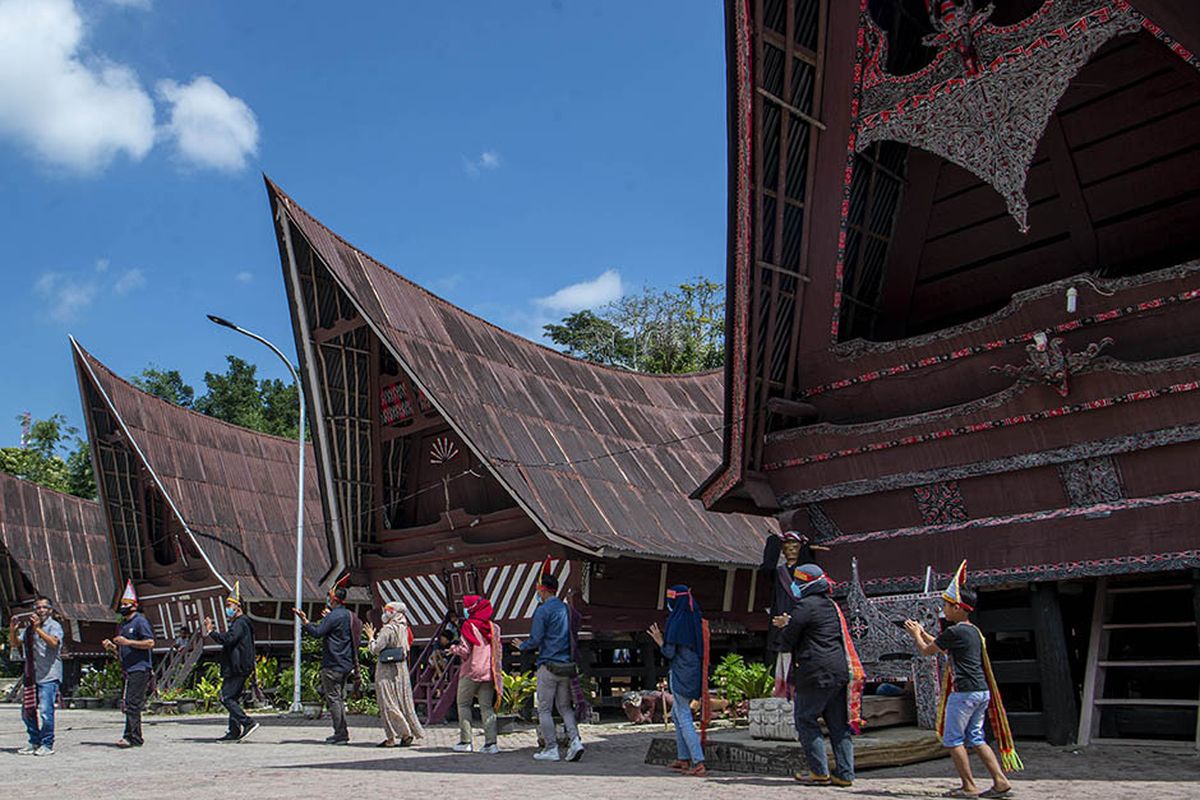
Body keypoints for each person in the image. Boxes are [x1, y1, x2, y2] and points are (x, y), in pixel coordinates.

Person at [904, 560, 1020, 799]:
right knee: (976, 737)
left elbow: (927, 650)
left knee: (954, 740)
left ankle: (968, 786)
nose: (944, 609)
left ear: (958, 607)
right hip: (980, 691)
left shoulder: (954, 632)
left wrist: (916, 635)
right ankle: (1000, 781)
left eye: (947, 605)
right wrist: (925, 634)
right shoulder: (971, 631)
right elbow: (943, 646)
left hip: (964, 693)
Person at [772, 564, 864, 788]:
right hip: (838, 671)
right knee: (838, 725)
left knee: (805, 720)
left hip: (815, 672)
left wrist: (786, 625)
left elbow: (788, 640)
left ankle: (819, 772)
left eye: (797, 582)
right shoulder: (831, 605)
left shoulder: (805, 605)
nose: (794, 586)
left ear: (805, 583)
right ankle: (845, 774)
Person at [512, 558, 584, 762]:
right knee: (565, 707)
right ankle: (575, 740)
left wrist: (522, 646)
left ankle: (551, 748)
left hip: (548, 665)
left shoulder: (542, 611)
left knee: (544, 708)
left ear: (543, 590)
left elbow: (536, 639)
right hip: (566, 664)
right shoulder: (566, 609)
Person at [647, 585, 709, 778]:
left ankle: (697, 761)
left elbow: (669, 652)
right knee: (676, 714)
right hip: (693, 671)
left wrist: (659, 640)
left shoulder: (676, 621)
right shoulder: (694, 617)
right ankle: (683, 757)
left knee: (683, 716)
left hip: (680, 673)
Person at [759, 530, 825, 697]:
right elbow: (766, 568)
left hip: (799, 620)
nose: (791, 550)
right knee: (782, 661)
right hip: (780, 619)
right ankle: (784, 694)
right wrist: (773, 541)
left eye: (795, 547)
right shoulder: (779, 572)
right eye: (787, 547)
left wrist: (808, 549)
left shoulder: (805, 572)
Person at [293, 580, 359, 744]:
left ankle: (340, 733)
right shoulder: (347, 615)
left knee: (334, 699)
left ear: (334, 599)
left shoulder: (333, 615)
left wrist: (305, 621)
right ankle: (342, 731)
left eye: (329, 596)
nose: (327, 599)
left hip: (333, 663)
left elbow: (318, 632)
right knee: (338, 698)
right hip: (346, 663)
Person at [8, 595, 64, 756]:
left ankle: (47, 744)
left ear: (50, 610)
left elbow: (54, 643)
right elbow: (15, 643)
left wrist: (39, 629)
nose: (41, 610)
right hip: (31, 675)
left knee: (46, 711)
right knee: (27, 710)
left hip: (49, 674)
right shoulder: (29, 628)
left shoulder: (54, 626)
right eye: (38, 607)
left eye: (44, 607)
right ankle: (34, 741)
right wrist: (13, 629)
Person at [102, 580, 155, 749]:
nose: (123, 606)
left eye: (126, 604)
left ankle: (132, 737)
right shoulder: (124, 625)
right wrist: (113, 647)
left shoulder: (140, 621)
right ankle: (134, 736)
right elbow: (122, 650)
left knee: (133, 703)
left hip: (140, 668)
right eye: (122, 604)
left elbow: (149, 643)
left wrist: (128, 642)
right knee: (128, 703)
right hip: (128, 668)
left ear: (134, 605)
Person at [364, 601, 424, 748]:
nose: (385, 613)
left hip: (386, 669)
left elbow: (376, 649)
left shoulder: (388, 629)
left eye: (388, 610)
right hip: (401, 668)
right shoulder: (404, 628)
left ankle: (397, 735)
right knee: (403, 700)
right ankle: (410, 731)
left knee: (387, 701)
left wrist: (371, 637)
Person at [449, 595, 504, 754]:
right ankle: (491, 743)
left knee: (463, 704)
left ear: (472, 608)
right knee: (486, 707)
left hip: (471, 671)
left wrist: (454, 649)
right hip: (488, 671)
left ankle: (466, 741)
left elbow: (465, 650)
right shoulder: (494, 627)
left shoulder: (468, 625)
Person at [204, 581, 258, 742]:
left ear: (238, 606)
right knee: (232, 698)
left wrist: (212, 632)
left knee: (226, 697)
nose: (228, 608)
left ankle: (248, 722)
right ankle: (233, 731)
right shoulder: (239, 623)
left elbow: (229, 639)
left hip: (238, 666)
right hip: (236, 665)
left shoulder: (240, 623)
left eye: (230, 605)